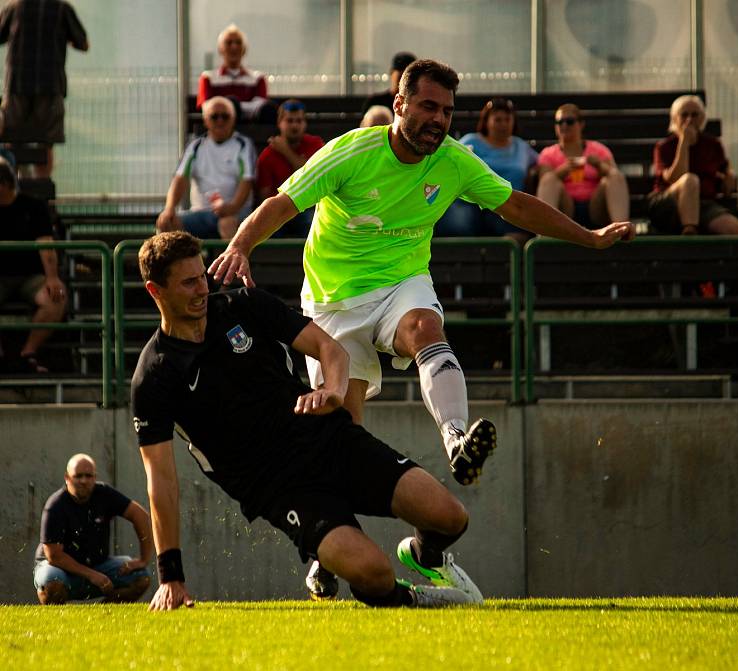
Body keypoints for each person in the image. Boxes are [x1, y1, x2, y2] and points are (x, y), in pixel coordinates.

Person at [208, 58, 632, 600]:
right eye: (429, 107)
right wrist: (241, 245)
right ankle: (327, 552)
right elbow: (281, 203)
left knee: (425, 325)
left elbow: (519, 206)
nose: (439, 120)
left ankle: (455, 438)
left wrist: (591, 238)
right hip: (334, 303)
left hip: (402, 282)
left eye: (448, 111)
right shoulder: (351, 151)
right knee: (341, 428)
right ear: (401, 103)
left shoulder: (454, 160)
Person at [132, 231, 483, 611]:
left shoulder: (243, 305)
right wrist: (170, 576)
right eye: (188, 282)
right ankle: (415, 600)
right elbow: (161, 481)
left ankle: (423, 553)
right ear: (156, 291)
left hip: (329, 440)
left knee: (451, 517)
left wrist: (333, 389)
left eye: (202, 276)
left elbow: (328, 348)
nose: (202, 288)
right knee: (374, 573)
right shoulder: (153, 376)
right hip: (278, 487)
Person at [33, 453, 153, 604]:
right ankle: (59, 620)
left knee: (141, 577)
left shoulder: (104, 494)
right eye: (78, 476)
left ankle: (104, 614)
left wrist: (144, 559)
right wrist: (92, 575)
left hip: (99, 566)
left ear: (95, 477)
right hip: (60, 569)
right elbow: (54, 556)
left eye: (88, 476)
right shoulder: (55, 505)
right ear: (67, 478)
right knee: (52, 583)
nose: (84, 481)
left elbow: (141, 516)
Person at [0, 0, 89, 178]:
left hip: (17, 86)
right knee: (46, 142)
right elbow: (83, 44)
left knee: (12, 138)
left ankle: (14, 185)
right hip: (50, 87)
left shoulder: (14, 7)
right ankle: (42, 191)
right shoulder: (62, 9)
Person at [437, 97, 539, 243]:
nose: (503, 124)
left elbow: (542, 163)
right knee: (457, 223)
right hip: (473, 205)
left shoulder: (521, 147)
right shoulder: (471, 141)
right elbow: (450, 162)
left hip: (507, 206)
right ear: (487, 121)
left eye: (507, 119)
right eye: (498, 120)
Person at [157, 96, 256, 240]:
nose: (220, 121)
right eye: (214, 117)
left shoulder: (243, 145)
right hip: (201, 212)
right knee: (167, 222)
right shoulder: (195, 146)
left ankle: (228, 263)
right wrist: (169, 208)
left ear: (233, 119)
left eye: (225, 116)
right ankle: (178, 263)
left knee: (227, 223)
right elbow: (180, 178)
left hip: (236, 212)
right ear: (206, 120)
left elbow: (246, 182)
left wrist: (232, 208)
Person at [0, 157, 66, 373]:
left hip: (30, 278)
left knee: (56, 299)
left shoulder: (33, 207)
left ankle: (27, 353)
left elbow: (45, 244)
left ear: (5, 184)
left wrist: (52, 278)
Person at [647, 95, 738, 236]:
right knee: (689, 180)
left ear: (702, 118)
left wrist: (728, 176)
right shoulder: (664, 147)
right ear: (675, 119)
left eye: (695, 115)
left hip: (702, 204)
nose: (689, 120)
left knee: (734, 228)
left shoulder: (713, 145)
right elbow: (674, 178)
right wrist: (684, 143)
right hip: (669, 203)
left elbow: (725, 168)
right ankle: (690, 230)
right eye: (684, 115)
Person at [536, 104, 630, 231]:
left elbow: (615, 177)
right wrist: (564, 170)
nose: (564, 126)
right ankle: (546, 237)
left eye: (569, 121)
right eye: (559, 122)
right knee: (549, 180)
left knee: (615, 176)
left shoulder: (598, 150)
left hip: (596, 207)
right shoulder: (548, 154)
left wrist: (599, 165)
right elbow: (544, 182)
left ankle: (621, 231)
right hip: (565, 209)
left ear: (581, 124)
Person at [256, 99, 324, 238]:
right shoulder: (267, 156)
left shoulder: (315, 145)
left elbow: (313, 176)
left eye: (299, 121)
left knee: (312, 222)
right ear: (279, 123)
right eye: (289, 121)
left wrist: (286, 151)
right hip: (280, 209)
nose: (294, 125)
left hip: (309, 207)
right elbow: (265, 195)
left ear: (305, 123)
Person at [196, 24, 275, 124]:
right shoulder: (208, 78)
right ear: (220, 49)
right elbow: (207, 108)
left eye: (238, 42)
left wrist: (232, 106)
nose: (234, 47)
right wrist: (235, 107)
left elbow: (261, 109)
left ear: (244, 49)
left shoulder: (258, 78)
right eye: (228, 43)